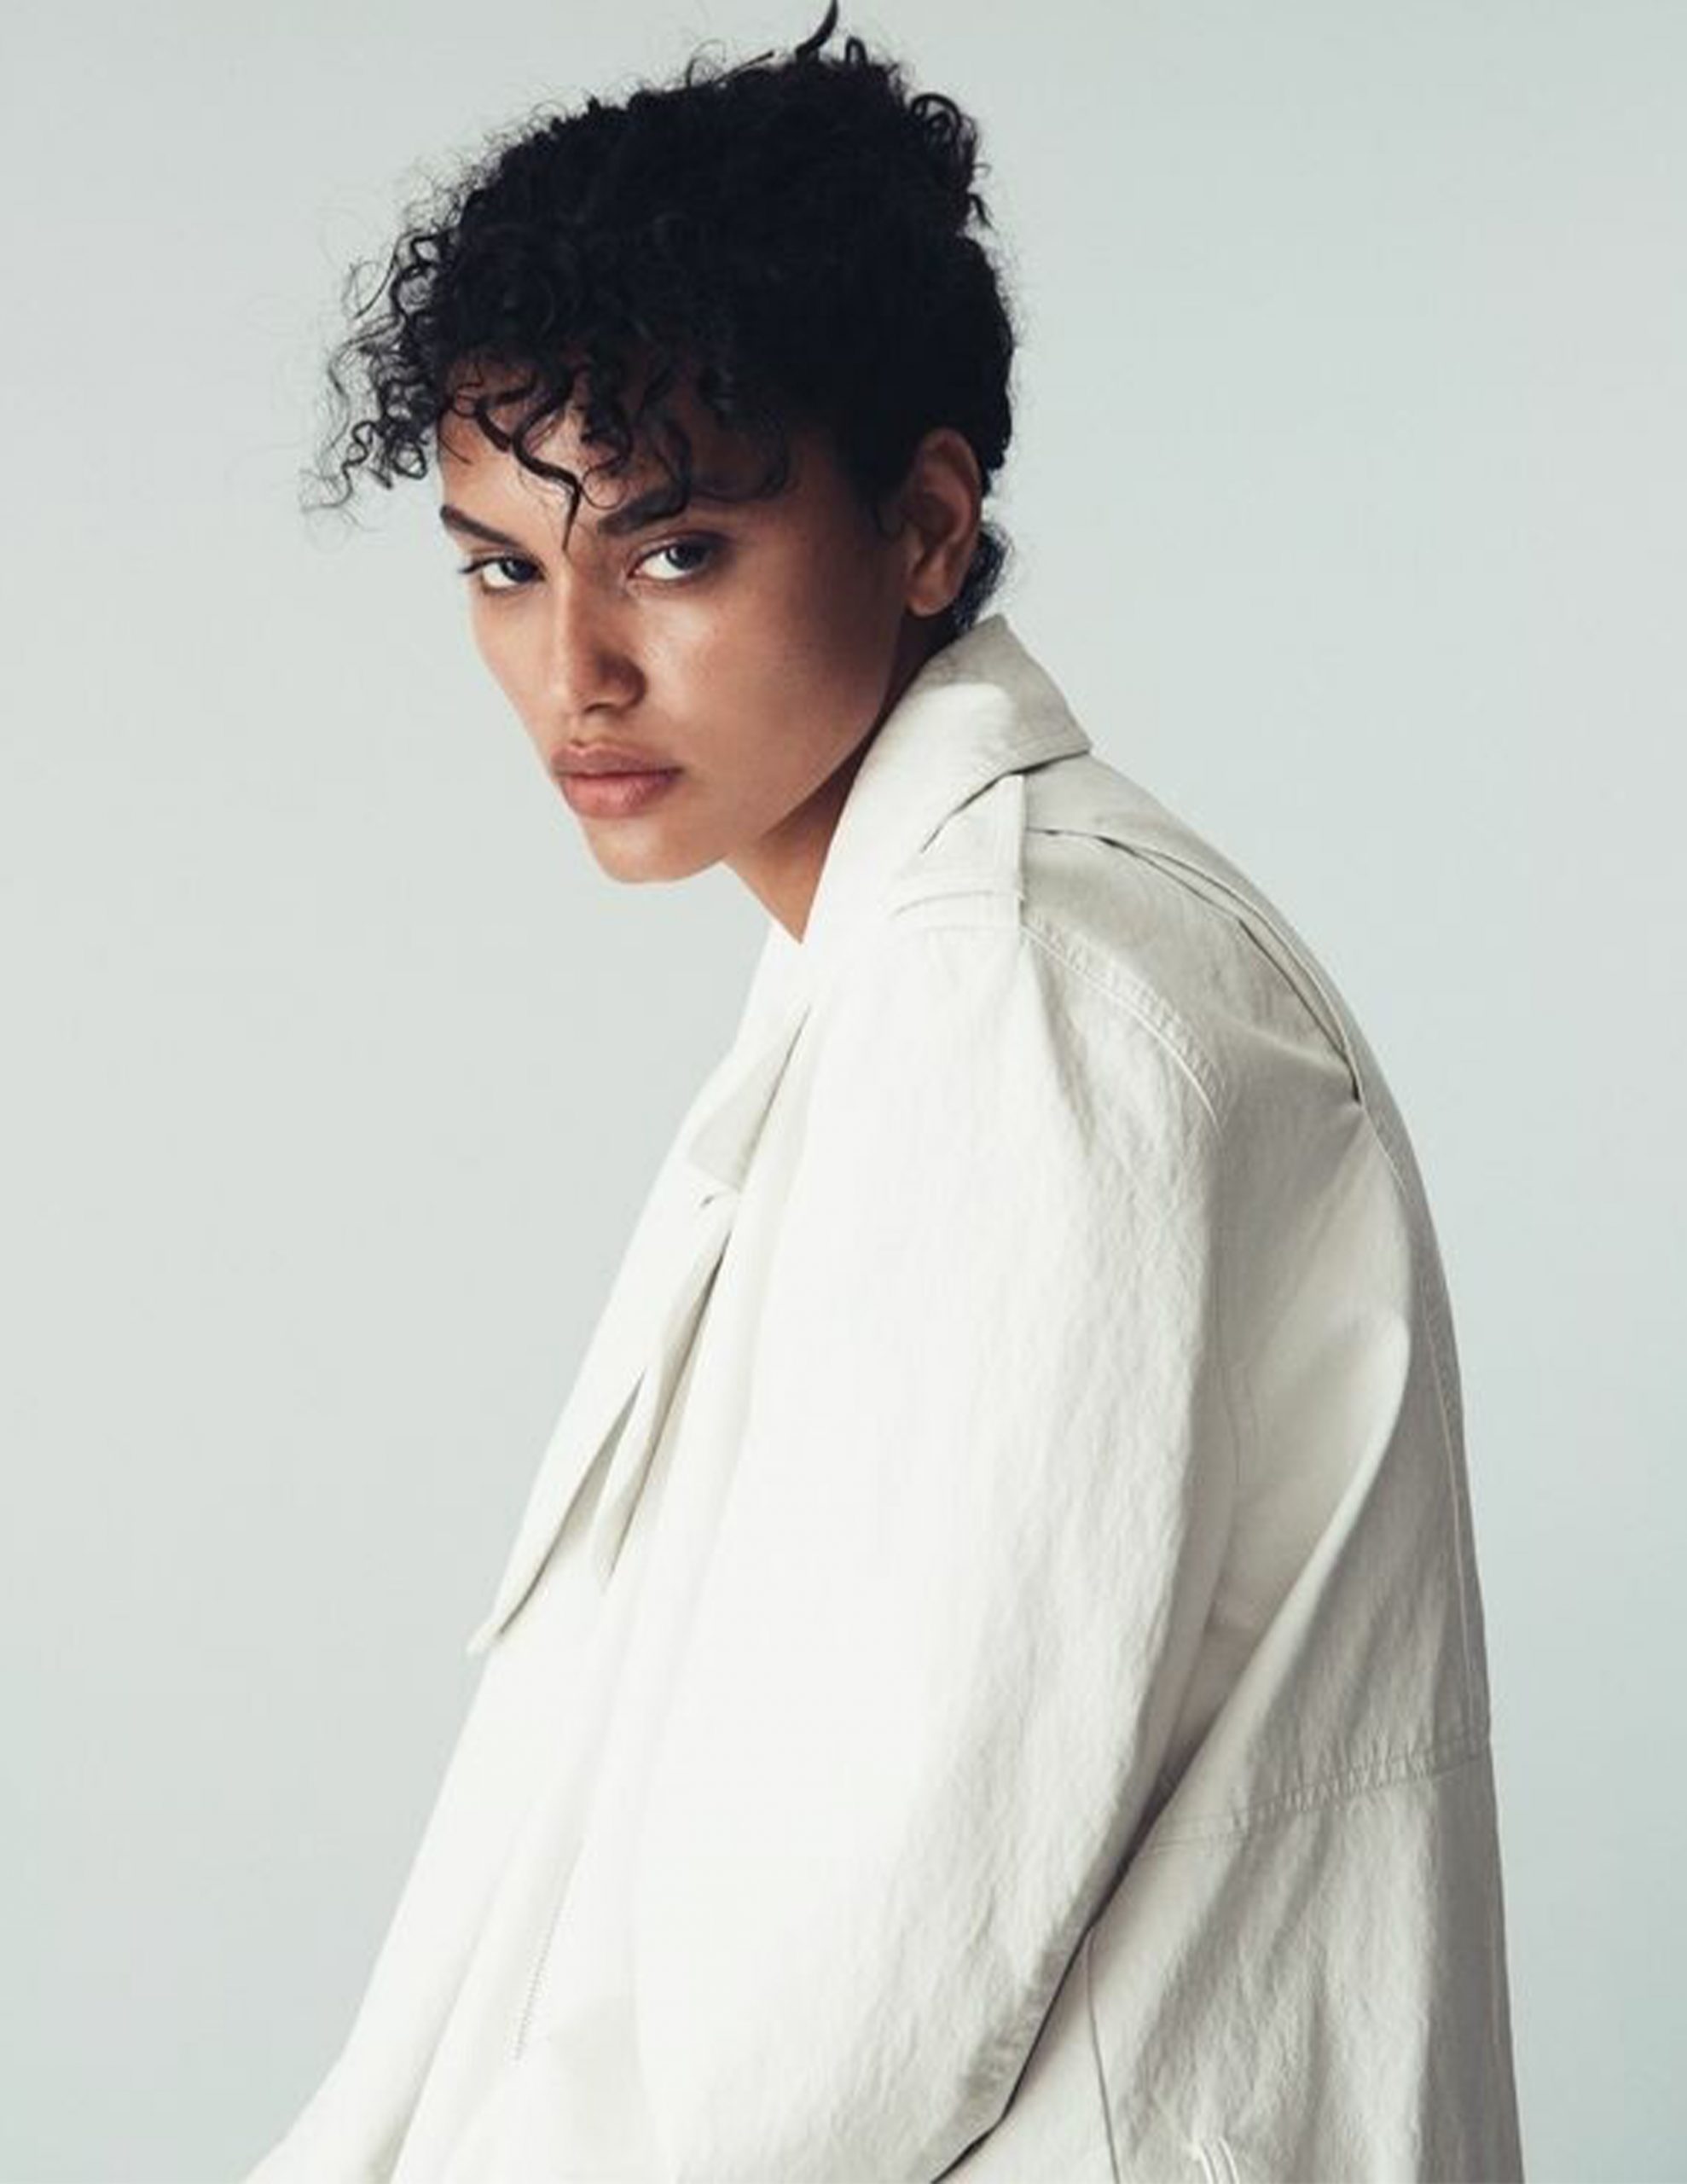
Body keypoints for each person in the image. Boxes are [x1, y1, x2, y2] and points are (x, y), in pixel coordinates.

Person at [245, 6, 1525, 2179]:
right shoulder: (916, 959)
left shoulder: (1015, 989)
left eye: (672, 551)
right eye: (501, 566)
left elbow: (832, 2004)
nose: (573, 672)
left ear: (924, 527)